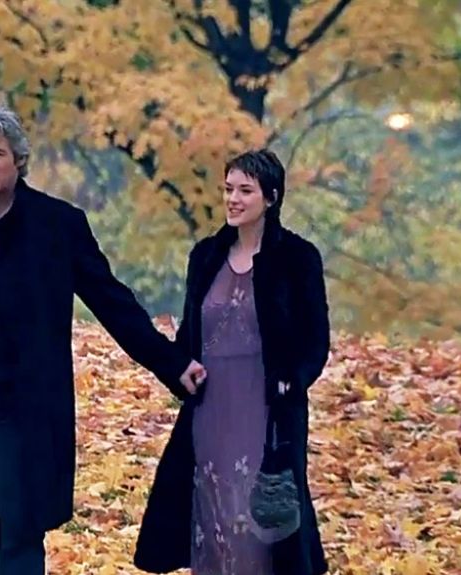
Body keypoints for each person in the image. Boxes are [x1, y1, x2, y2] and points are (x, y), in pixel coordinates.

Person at [0, 104, 206, 575]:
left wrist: (172, 362)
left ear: (19, 161)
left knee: (20, 527)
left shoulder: (57, 225)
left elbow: (111, 301)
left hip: (24, 401)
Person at [134, 149, 331, 575]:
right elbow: (190, 335)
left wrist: (294, 379)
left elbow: (315, 340)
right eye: (228, 189)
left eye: (245, 190)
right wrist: (179, 367)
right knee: (213, 518)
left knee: (258, 527)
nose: (233, 199)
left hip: (267, 410)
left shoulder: (297, 258)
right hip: (210, 409)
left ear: (271, 197)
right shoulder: (205, 256)